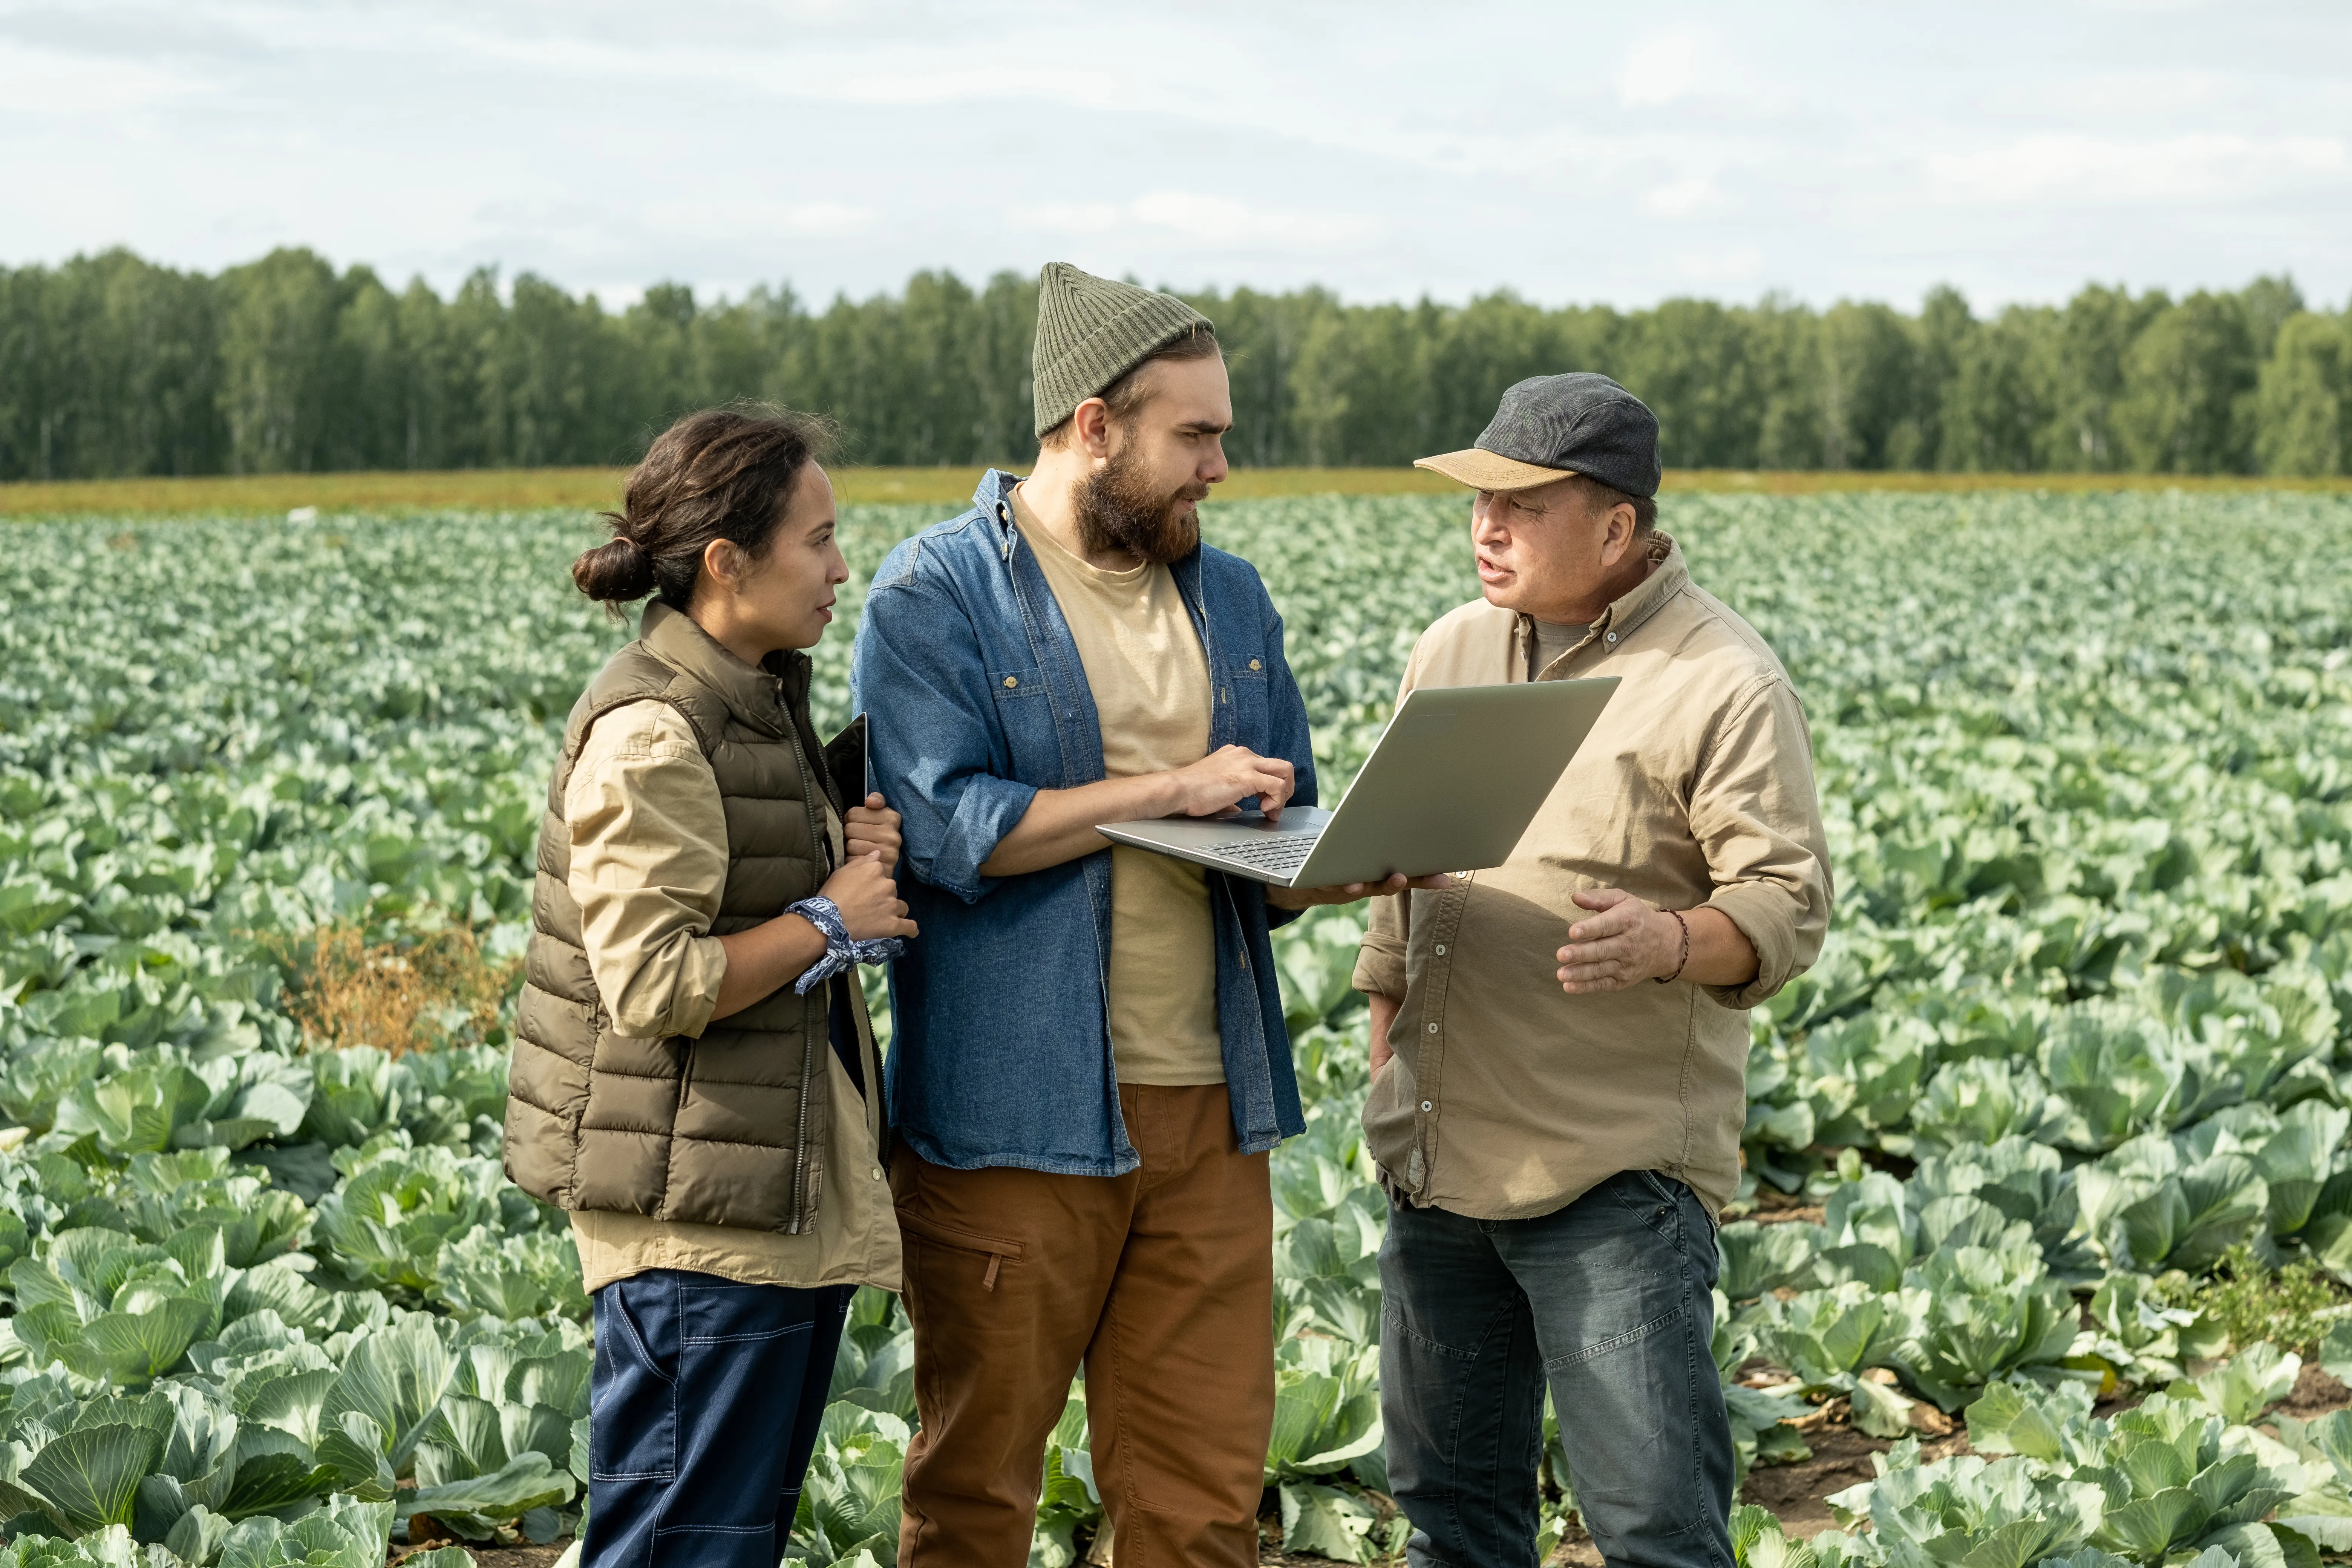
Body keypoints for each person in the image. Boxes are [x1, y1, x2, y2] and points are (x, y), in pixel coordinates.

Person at [852, 263, 1442, 1567]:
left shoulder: (1227, 600)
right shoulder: (933, 592)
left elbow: (1266, 839)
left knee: (1201, 1497)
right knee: (976, 1498)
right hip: (1015, 1115)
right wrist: (1172, 789)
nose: (1220, 467)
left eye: (1222, 435)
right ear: (1094, 426)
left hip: (1209, 1107)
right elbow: (953, 833)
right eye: (1197, 435)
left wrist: (1344, 861)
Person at [1354, 374, 1833, 1568]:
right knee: (1454, 1526)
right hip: (1442, 1160)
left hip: (1613, 1182)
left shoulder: (1720, 677)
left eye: (1521, 504)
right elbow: (1397, 863)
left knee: (1653, 1534)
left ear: (1618, 526)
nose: (1486, 528)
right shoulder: (1455, 645)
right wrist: (1385, 1042)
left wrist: (1671, 940)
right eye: (1478, 501)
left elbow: (1786, 903)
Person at [500, 407, 918, 1568]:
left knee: (720, 1544)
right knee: (681, 1549)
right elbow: (654, 980)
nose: (843, 569)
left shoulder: (749, 692)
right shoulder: (654, 730)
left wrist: (836, 811)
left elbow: (734, 855)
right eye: (820, 541)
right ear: (727, 563)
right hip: (696, 1235)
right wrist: (833, 917)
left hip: (743, 1203)